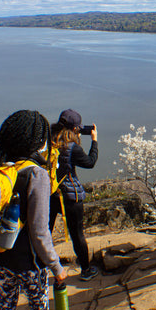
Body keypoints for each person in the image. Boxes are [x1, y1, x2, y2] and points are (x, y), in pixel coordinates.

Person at [0, 110, 67, 310]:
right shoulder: (35, 174)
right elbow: (40, 232)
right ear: (36, 142)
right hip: (28, 260)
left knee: (5, 304)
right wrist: (56, 266)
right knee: (39, 309)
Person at [49, 109, 99, 281]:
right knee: (77, 234)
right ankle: (86, 270)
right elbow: (90, 163)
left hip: (50, 194)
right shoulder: (72, 148)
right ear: (76, 129)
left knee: (44, 232)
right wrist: (94, 141)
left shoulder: (48, 142)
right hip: (71, 197)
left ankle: (40, 268)